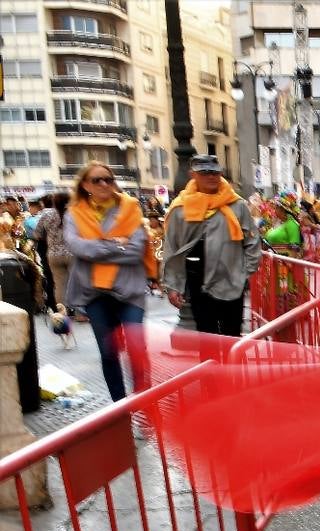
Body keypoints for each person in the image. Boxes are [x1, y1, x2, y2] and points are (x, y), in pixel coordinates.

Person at [63, 162, 157, 400]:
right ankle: (120, 408)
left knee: (137, 349)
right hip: (94, 292)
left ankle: (144, 403)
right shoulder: (74, 213)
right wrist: (116, 243)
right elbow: (78, 248)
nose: (104, 184)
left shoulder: (130, 208)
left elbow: (136, 250)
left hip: (130, 290)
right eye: (97, 180)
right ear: (85, 185)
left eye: (108, 179)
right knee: (108, 352)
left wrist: (97, 248)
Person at [162, 154, 261, 339]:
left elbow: (252, 241)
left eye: (215, 173)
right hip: (197, 280)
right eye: (205, 172)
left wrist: (244, 272)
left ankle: (231, 369)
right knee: (207, 336)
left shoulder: (236, 205)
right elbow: (172, 247)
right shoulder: (180, 207)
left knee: (232, 335)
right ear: (193, 174)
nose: (211, 177)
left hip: (231, 279)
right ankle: (211, 368)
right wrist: (173, 286)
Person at [35, 193, 74, 317]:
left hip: (53, 254)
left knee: (59, 285)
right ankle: (79, 313)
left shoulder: (46, 214)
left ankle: (62, 314)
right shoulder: (73, 214)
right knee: (76, 283)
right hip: (73, 253)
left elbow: (37, 234)